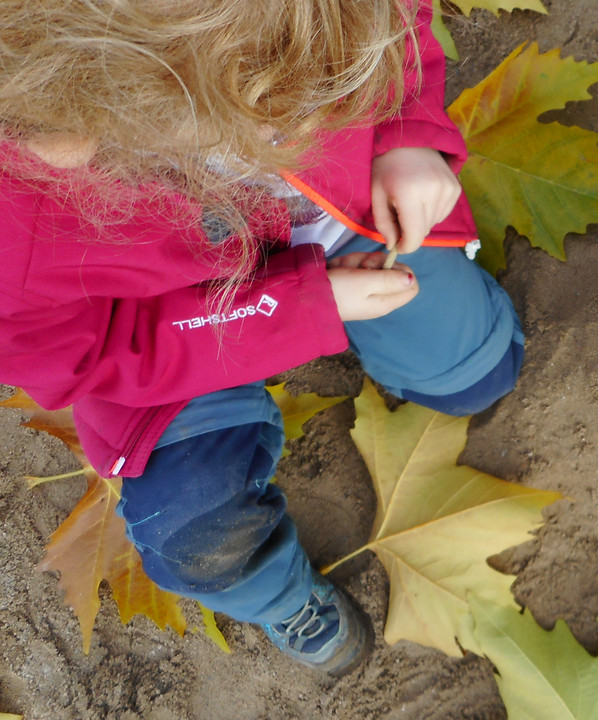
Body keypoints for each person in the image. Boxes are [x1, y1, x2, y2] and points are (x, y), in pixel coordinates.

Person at [0, 0, 522, 674]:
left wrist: (407, 134)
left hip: (347, 219)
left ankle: (434, 354)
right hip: (171, 343)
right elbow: (90, 356)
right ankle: (271, 590)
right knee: (195, 533)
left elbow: (395, 20)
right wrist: (302, 308)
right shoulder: (17, 234)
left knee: (476, 373)